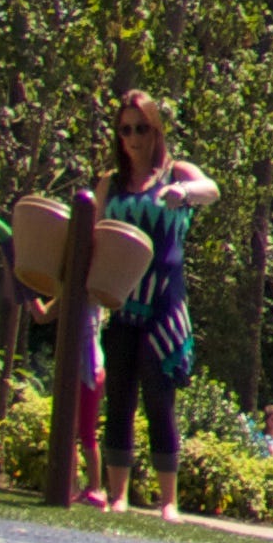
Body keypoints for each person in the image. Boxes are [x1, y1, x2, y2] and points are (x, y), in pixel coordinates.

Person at [93, 93, 215, 511]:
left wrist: (183, 192)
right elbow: (92, 238)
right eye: (125, 130)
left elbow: (211, 190)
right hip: (122, 300)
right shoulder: (110, 183)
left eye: (141, 128)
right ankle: (118, 495)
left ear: (156, 130)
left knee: (160, 399)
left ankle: (169, 502)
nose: (133, 138)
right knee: (120, 398)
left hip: (164, 304)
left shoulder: (175, 173)